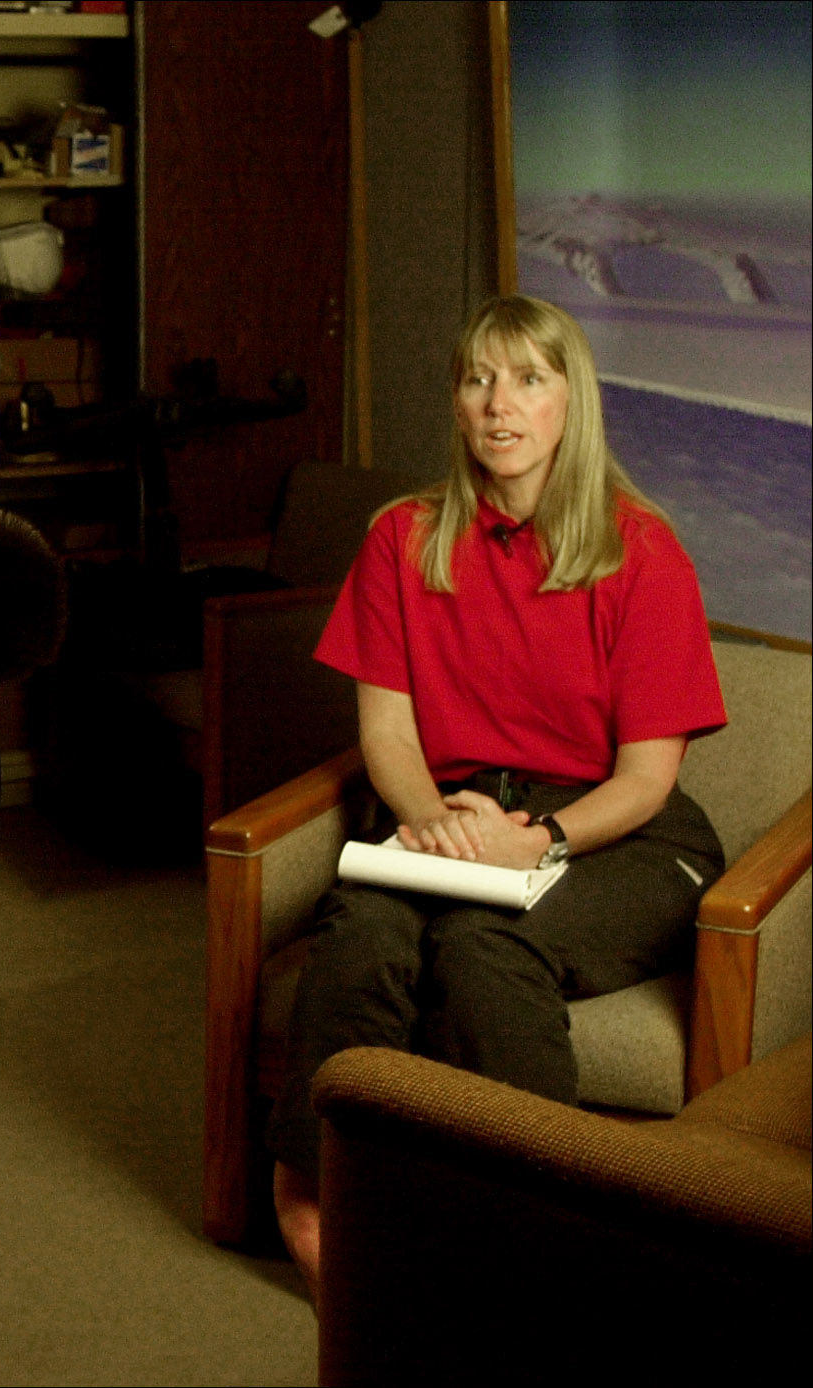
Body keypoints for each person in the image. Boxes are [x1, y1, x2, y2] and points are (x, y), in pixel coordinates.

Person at [265, 294, 727, 1290]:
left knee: (485, 945)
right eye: (478, 378)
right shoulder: (403, 537)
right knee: (365, 934)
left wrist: (544, 839)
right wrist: (432, 821)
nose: (499, 404)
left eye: (529, 378)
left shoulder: (641, 549)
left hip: (620, 827)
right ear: (458, 402)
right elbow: (385, 730)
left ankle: (538, 1224)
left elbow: (648, 777)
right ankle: (318, 1181)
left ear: (573, 402)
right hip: (455, 806)